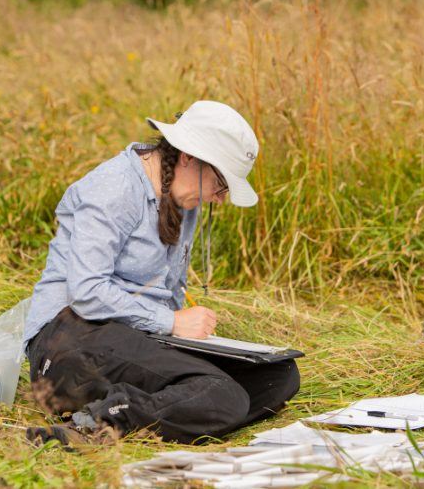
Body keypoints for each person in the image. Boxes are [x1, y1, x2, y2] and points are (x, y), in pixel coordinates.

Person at [23, 101, 300, 446]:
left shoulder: (183, 198)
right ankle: (96, 425)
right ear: (188, 157)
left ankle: (170, 406)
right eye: (220, 183)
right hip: (68, 342)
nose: (220, 198)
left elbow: (167, 293)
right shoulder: (114, 188)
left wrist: (183, 335)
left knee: (279, 376)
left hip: (134, 336)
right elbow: (87, 291)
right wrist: (172, 323)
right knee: (222, 394)